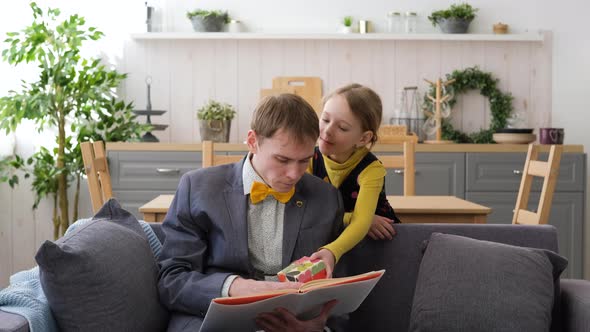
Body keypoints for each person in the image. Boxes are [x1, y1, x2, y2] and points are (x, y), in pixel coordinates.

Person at [157, 94, 345, 331]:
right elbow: (172, 279)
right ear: (252, 141)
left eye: (304, 161)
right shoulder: (197, 188)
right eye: (282, 159)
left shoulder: (326, 198)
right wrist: (234, 287)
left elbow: (341, 286)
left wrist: (319, 325)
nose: (294, 174)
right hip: (213, 318)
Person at [309, 83, 400, 276]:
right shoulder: (309, 158)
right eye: (325, 119)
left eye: (342, 127)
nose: (327, 131)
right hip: (329, 237)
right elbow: (307, 212)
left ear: (363, 138)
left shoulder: (371, 170)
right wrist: (353, 218)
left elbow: (360, 225)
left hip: (376, 244)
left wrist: (360, 223)